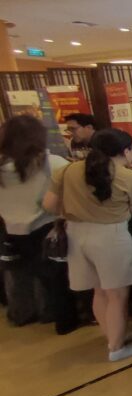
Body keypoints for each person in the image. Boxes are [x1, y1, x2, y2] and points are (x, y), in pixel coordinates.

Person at [43, 128, 132, 361]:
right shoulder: (131, 178)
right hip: (111, 236)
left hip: (75, 234)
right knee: (117, 296)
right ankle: (117, 348)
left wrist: (72, 211)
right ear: (127, 151)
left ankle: (113, 338)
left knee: (98, 292)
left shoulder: (67, 170)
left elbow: (49, 204)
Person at [0, 115, 77, 333]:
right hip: (45, 227)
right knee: (54, 276)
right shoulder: (49, 163)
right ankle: (58, 317)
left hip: (11, 229)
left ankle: (22, 314)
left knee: (20, 275)